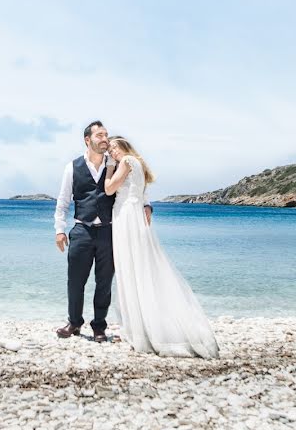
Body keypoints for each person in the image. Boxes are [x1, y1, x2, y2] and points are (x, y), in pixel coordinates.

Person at [105, 136, 219, 358]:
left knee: (131, 266)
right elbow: (141, 195)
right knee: (139, 265)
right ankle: (142, 324)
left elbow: (109, 189)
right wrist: (147, 205)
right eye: (110, 150)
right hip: (132, 215)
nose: (112, 153)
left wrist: (110, 167)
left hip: (127, 217)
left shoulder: (126, 161)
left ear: (124, 147)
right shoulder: (137, 163)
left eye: (114, 148)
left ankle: (142, 329)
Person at [53, 121, 152, 342]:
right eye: (99, 135)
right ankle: (74, 323)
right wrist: (60, 230)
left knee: (104, 281)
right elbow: (63, 202)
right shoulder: (72, 167)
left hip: (109, 231)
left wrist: (147, 205)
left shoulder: (116, 164)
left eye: (106, 134)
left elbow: (138, 185)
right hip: (81, 230)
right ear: (88, 140)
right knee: (75, 280)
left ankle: (99, 326)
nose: (105, 138)